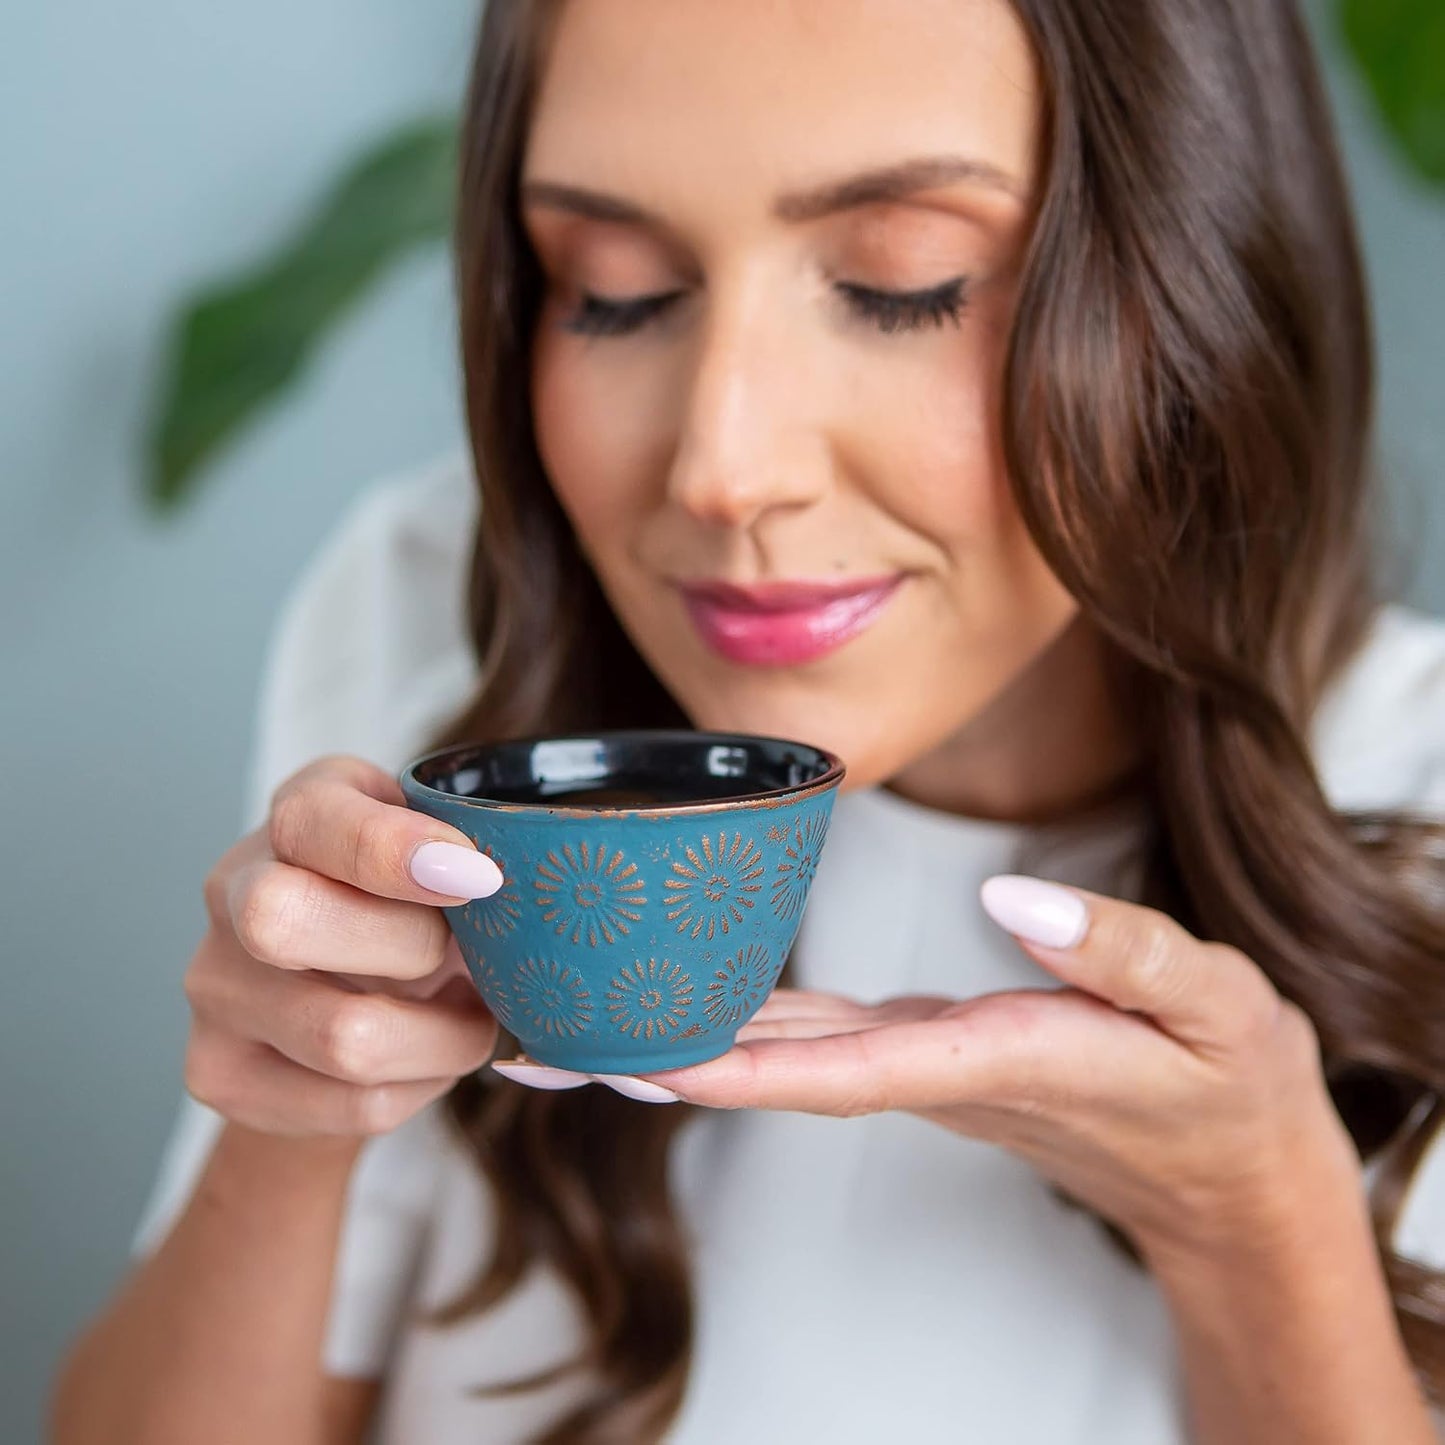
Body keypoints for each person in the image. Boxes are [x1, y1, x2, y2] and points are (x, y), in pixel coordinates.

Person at [51, 0, 1445, 1440]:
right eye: (617, 291)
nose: (723, 467)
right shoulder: (431, 639)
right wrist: (294, 1124)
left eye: (909, 284)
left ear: (1191, 279)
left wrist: (1256, 1214)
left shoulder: (1422, 792)